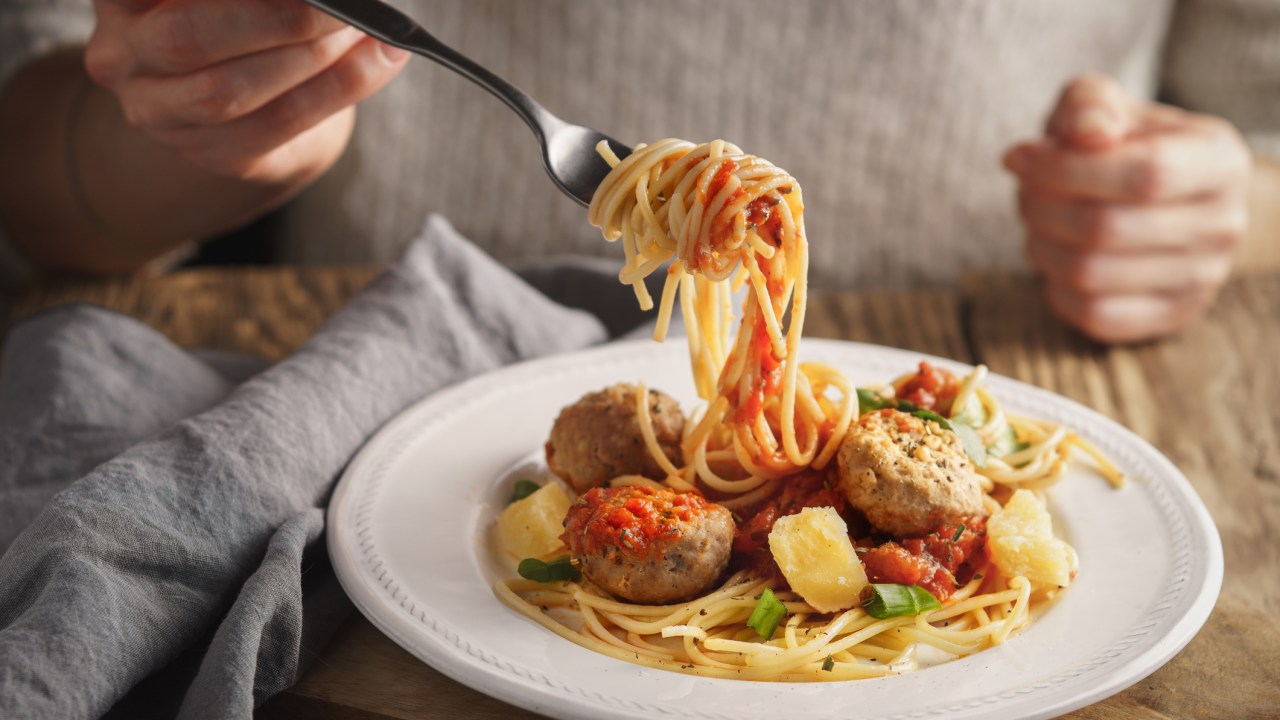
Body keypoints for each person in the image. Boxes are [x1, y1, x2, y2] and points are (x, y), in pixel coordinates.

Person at [0, 0, 1275, 343]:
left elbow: (1262, 129)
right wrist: (189, 121)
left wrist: (1221, 203)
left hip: (1022, 349)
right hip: (364, 368)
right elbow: (36, 181)